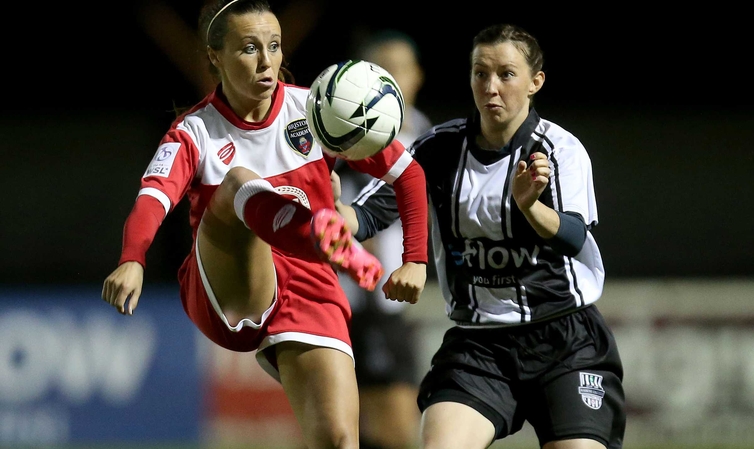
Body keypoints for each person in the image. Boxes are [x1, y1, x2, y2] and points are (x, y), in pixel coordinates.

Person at [100, 1, 429, 448]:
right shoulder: (195, 132)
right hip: (228, 284)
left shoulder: (314, 109)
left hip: (308, 285)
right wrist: (132, 258)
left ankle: (322, 243)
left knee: (337, 439)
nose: (266, 61)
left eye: (273, 46)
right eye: (248, 48)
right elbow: (153, 198)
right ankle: (324, 241)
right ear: (215, 57)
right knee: (238, 183)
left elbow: (408, 173)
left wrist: (415, 260)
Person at [334, 23, 626, 448]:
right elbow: (370, 213)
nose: (491, 87)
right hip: (479, 345)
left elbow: (574, 235)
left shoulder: (560, 150)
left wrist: (529, 207)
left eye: (506, 74)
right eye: (480, 73)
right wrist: (335, 216)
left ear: (534, 83)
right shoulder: (437, 149)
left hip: (566, 339)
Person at [332, 29, 433, 449]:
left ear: (417, 77)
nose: (391, 78)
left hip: (396, 299)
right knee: (376, 425)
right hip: (353, 297)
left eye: (400, 69)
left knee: (374, 424)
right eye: (381, 69)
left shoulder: (428, 135)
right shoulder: (344, 128)